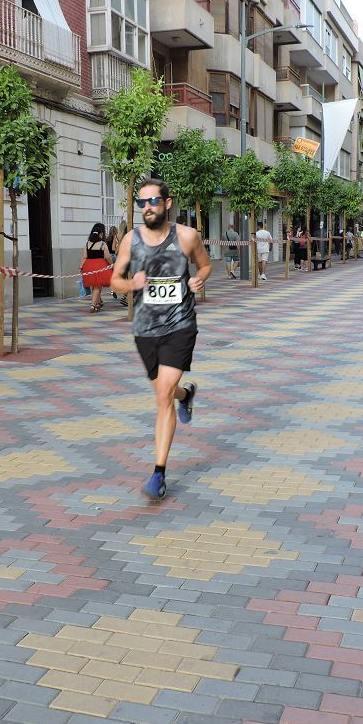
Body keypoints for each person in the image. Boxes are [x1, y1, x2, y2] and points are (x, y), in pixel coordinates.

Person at [110, 179, 211, 499]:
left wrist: (198, 279)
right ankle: (186, 395)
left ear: (167, 203)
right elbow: (114, 279)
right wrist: (131, 284)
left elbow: (205, 265)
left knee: (161, 396)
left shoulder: (186, 236)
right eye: (142, 203)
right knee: (166, 393)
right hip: (145, 329)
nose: (147, 207)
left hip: (180, 325)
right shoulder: (130, 240)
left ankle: (158, 474)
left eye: (153, 201)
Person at [81, 223, 112, 312]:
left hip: (88, 265)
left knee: (93, 284)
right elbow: (107, 257)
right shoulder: (102, 244)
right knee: (98, 286)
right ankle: (93, 305)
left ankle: (97, 303)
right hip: (100, 265)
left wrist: (81, 266)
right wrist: (111, 264)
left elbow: (84, 256)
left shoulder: (87, 244)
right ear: (100, 234)